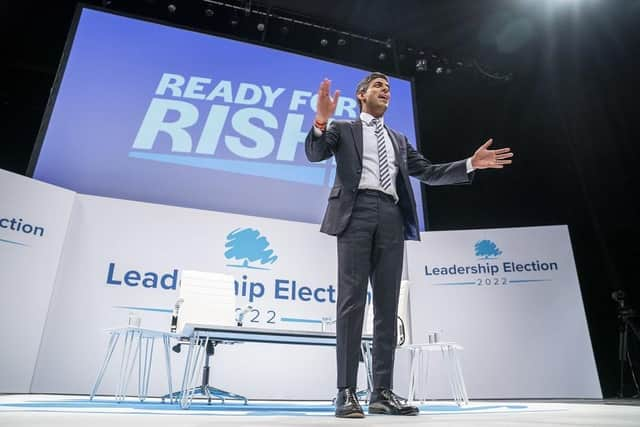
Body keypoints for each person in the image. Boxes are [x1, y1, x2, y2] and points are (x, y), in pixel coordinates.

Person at [305, 72, 513, 418]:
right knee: (352, 303)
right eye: (378, 86)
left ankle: (381, 393)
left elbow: (428, 172)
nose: (386, 90)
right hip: (354, 214)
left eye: (388, 87)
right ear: (361, 95)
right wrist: (321, 120)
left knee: (387, 308)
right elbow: (314, 154)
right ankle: (346, 392)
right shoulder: (342, 129)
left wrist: (470, 164)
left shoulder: (398, 139)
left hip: (391, 216)